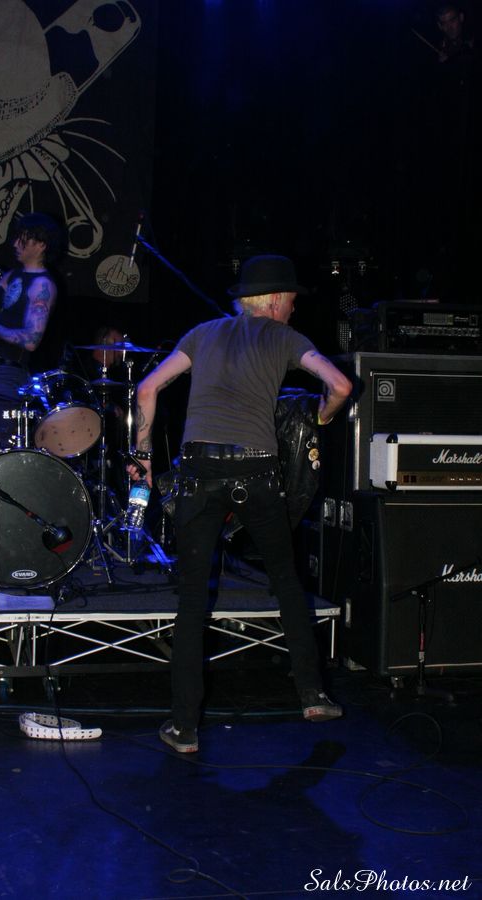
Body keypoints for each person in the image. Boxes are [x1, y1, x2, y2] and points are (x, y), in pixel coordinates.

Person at [127, 255, 352, 753]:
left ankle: (184, 727)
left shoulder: (202, 333)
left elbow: (147, 388)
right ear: (275, 300)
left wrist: (142, 457)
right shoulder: (284, 338)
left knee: (192, 599)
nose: (293, 310)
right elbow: (339, 386)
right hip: (257, 472)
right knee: (286, 582)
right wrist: (324, 415)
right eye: (291, 301)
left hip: (199, 472)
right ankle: (312, 694)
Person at [0, 213, 64, 455]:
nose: (15, 244)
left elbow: (31, 340)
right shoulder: (11, 276)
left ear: (41, 245)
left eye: (23, 239)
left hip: (7, 375)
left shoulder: (43, 285)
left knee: (7, 447)